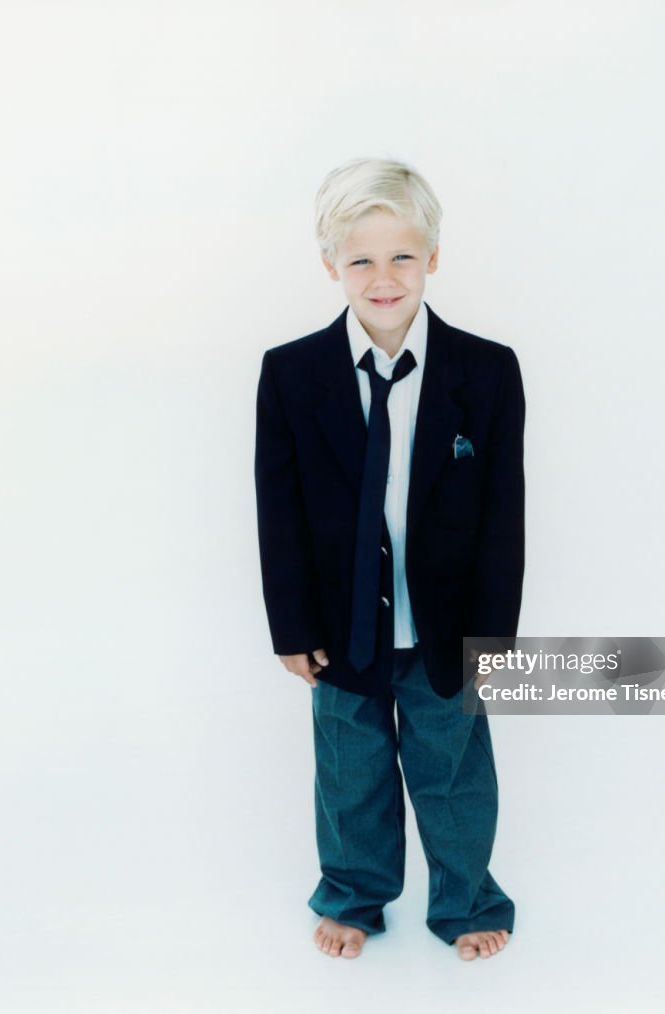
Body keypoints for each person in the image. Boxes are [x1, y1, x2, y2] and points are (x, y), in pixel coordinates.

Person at [254, 156, 525, 961]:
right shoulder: (291, 373)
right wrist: (291, 627)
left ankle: (468, 899)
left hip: (447, 625)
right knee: (350, 772)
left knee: (453, 772)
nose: (383, 277)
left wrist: (494, 641)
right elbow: (280, 513)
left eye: (401, 255)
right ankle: (353, 895)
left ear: (433, 257)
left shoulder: (487, 371)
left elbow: (504, 517)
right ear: (330, 262)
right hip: (340, 626)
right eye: (361, 258)